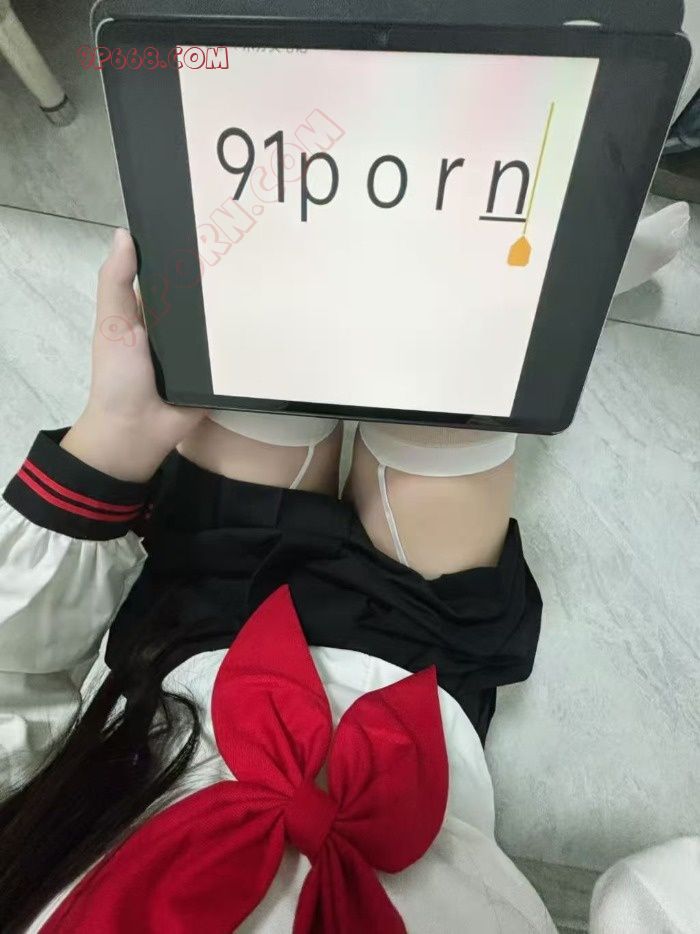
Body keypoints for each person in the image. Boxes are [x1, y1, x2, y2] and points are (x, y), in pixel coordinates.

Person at [0, 228, 552, 932]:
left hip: (199, 632)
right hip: (417, 707)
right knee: (465, 325)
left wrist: (109, 445)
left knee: (276, 277)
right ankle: (547, 271)